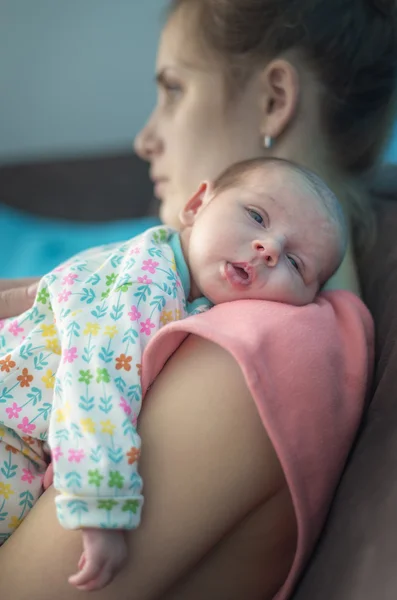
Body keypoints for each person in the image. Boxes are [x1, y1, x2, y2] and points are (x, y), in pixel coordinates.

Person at [0, 0, 395, 598]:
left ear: (274, 100)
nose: (144, 138)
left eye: (174, 89)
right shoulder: (211, 299)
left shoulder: (267, 348)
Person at [0, 157, 346, 592]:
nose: (270, 248)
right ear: (197, 204)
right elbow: (95, 377)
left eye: (296, 264)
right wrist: (98, 503)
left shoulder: (167, 275)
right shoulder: (149, 280)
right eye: (256, 216)